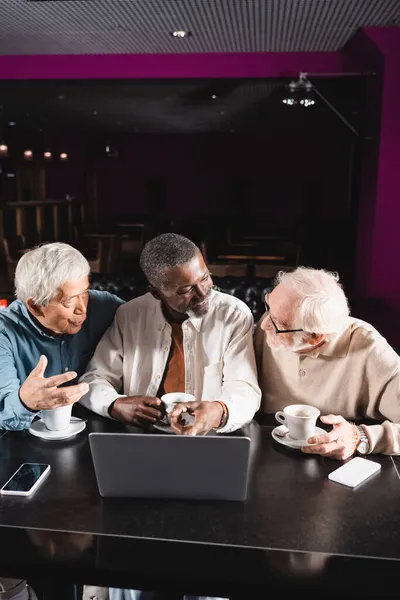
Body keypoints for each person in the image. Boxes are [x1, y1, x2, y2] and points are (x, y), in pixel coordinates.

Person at [80, 232, 260, 435]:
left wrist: (218, 411)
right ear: (156, 293)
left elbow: (245, 389)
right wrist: (113, 404)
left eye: (205, 278)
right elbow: (94, 377)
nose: (203, 294)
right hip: (141, 438)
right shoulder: (129, 315)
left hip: (209, 438)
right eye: (186, 290)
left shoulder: (234, 316)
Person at [254, 266, 400, 460]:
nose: (263, 325)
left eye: (278, 324)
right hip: (265, 449)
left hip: (335, 460)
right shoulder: (268, 324)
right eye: (268, 307)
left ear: (315, 337)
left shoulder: (370, 348)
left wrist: (360, 437)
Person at [0, 242, 123, 430]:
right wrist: (25, 401)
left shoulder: (104, 305)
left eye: (85, 293)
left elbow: (146, 321)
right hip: (30, 439)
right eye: (69, 301)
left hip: (101, 427)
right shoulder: (4, 332)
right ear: (34, 306)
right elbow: (4, 413)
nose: (83, 309)